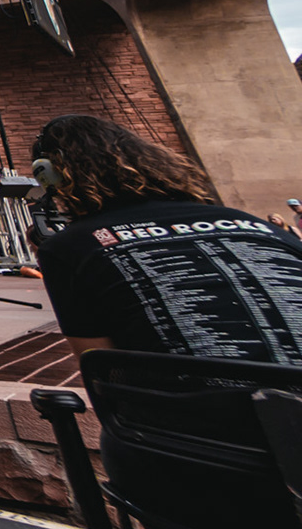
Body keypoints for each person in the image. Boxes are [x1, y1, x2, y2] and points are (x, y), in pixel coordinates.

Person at [32, 114, 302, 365]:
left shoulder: (69, 247)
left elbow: (102, 366)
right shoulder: (256, 225)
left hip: (185, 401)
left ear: (51, 174)